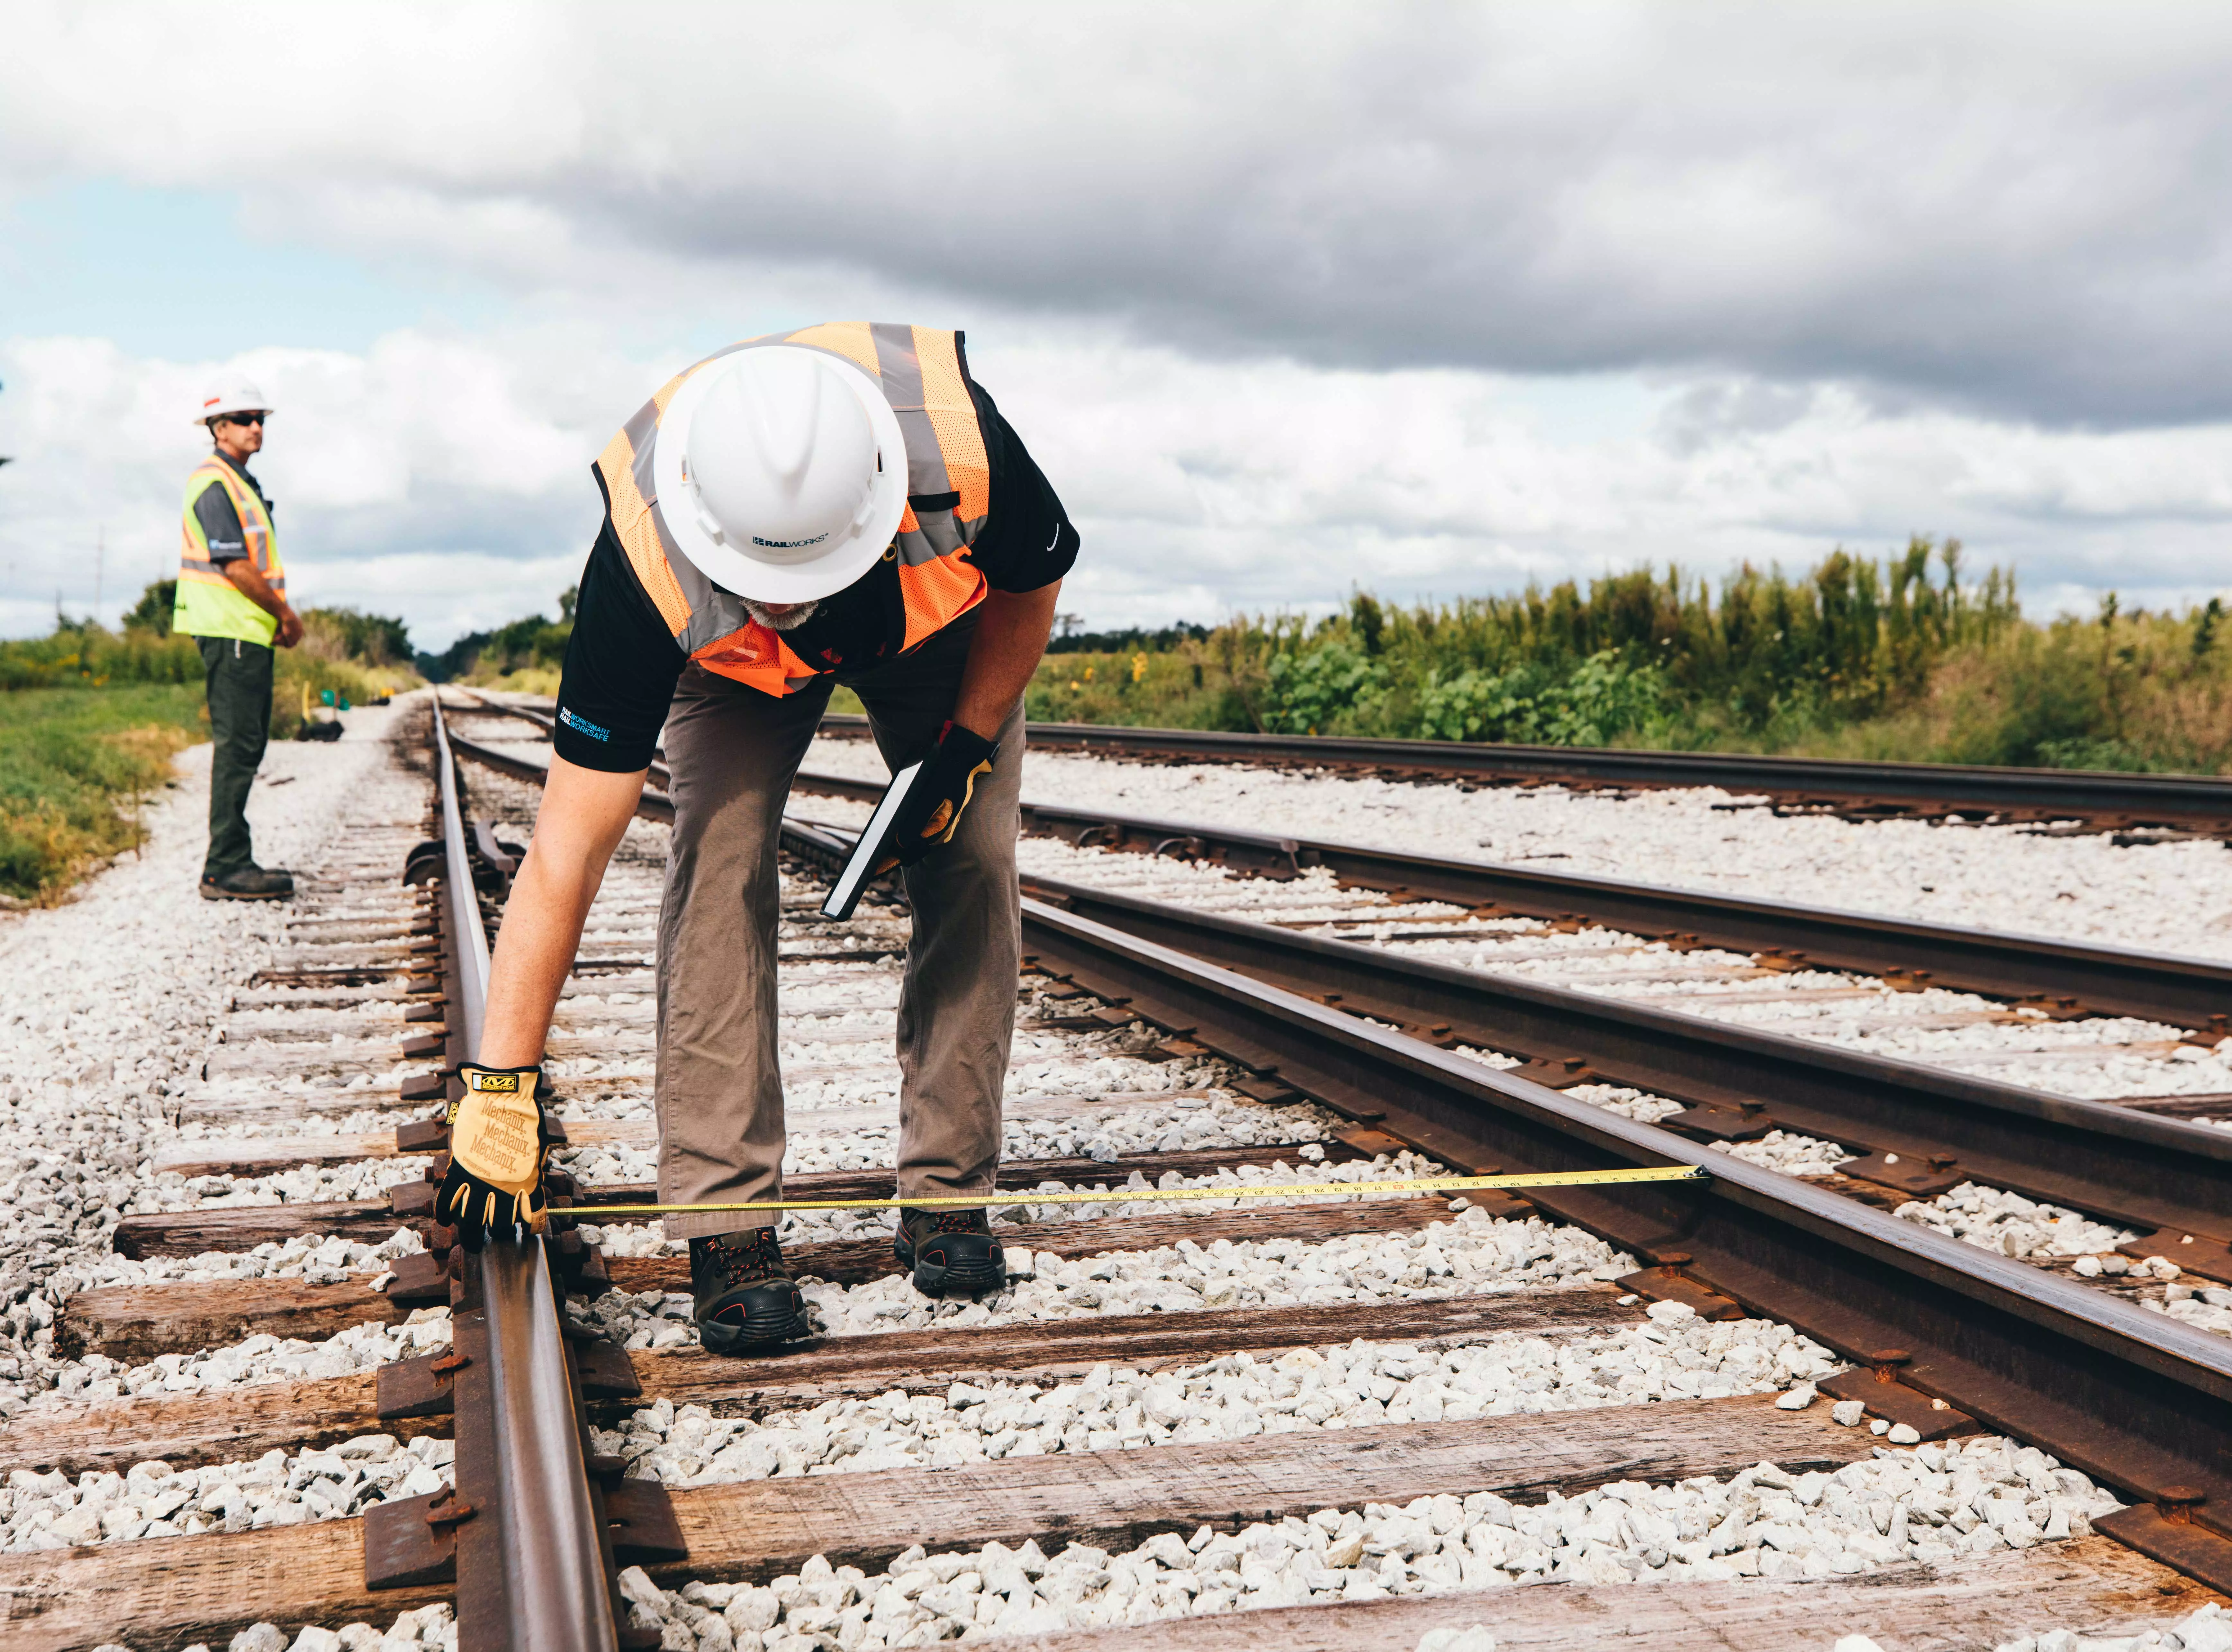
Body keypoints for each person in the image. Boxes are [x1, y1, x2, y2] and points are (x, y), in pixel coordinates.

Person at [435, 324, 1078, 1355]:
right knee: (719, 869)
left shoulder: (966, 457)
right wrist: (499, 1084)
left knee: (971, 856)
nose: (782, 609)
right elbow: (567, 849)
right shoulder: (643, 566)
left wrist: (964, 742)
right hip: (725, 669)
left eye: (801, 584)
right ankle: (726, 1222)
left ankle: (948, 1193)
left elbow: (1030, 584)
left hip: (931, 623)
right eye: (764, 584)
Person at [175, 377, 304, 900]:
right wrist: (285, 614)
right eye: (245, 419)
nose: (256, 428)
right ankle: (225, 865)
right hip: (229, 628)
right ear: (217, 427)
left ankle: (229, 860)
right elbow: (233, 563)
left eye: (261, 419)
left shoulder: (238, 481)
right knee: (238, 745)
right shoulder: (215, 483)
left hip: (242, 631)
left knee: (246, 744)